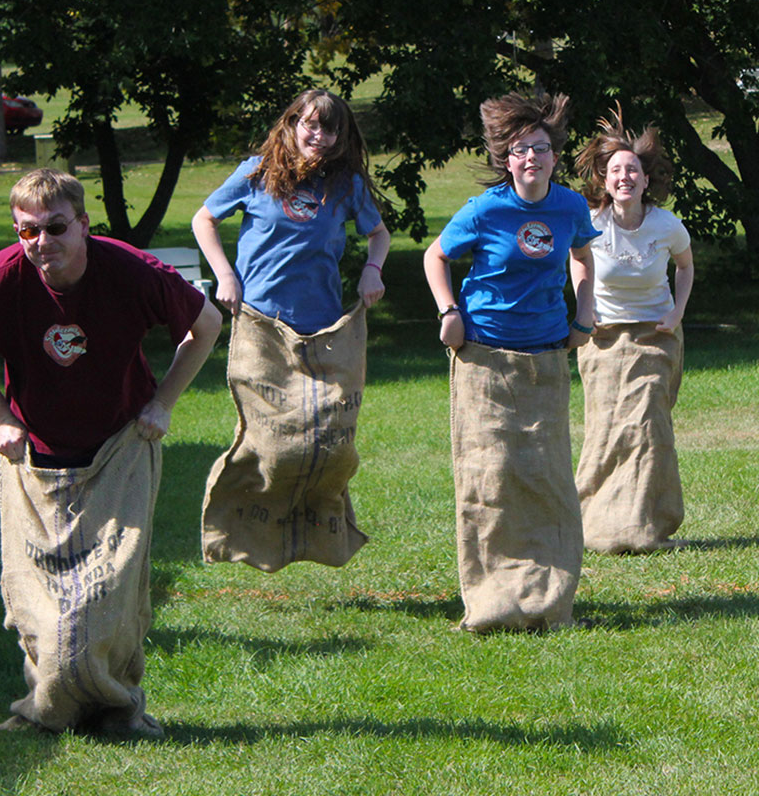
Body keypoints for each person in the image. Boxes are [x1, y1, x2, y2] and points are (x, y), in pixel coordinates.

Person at [0, 168, 220, 736]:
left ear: (84, 224)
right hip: (37, 458)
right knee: (41, 602)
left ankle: (117, 709)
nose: (42, 242)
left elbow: (207, 323)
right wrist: (0, 416)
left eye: (56, 227)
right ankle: (49, 709)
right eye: (28, 231)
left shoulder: (131, 272)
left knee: (109, 593)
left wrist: (163, 403)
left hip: (120, 446)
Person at [422, 92, 599, 631]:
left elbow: (583, 257)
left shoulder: (570, 207)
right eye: (521, 150)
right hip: (484, 359)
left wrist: (584, 314)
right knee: (491, 478)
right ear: (507, 159)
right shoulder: (486, 210)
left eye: (540, 149)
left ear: (554, 157)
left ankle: (548, 595)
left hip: (546, 355)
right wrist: (449, 311)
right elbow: (435, 255)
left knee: (545, 478)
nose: (531, 158)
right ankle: (493, 599)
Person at [192, 90, 389, 572]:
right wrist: (225, 275)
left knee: (328, 442)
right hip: (261, 325)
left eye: (330, 128)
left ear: (341, 136)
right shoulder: (256, 173)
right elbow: (204, 219)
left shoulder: (344, 185)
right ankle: (239, 529)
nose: (319, 136)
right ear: (292, 124)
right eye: (311, 124)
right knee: (271, 444)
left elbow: (379, 233)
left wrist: (373, 269)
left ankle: (317, 530)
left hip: (322, 330)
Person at [570, 107, 693, 553]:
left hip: (655, 335)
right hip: (602, 338)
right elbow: (577, 261)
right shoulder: (590, 223)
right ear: (605, 180)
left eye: (633, 170)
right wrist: (585, 311)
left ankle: (646, 524)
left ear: (645, 180)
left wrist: (676, 314)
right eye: (616, 170)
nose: (625, 177)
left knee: (647, 426)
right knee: (606, 427)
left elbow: (685, 267)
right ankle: (595, 521)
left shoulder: (666, 225)